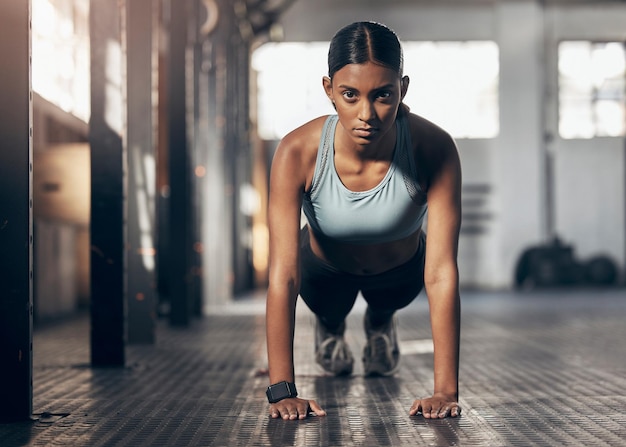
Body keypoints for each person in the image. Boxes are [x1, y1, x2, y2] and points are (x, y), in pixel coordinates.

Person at [264, 21, 461, 421]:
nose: (366, 114)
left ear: (402, 89)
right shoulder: (297, 151)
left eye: (383, 95)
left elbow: (440, 273)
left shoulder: (432, 148)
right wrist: (282, 391)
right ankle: (331, 328)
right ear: (329, 90)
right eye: (350, 95)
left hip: (400, 273)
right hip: (322, 274)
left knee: (386, 302)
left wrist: (445, 391)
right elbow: (283, 275)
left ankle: (380, 323)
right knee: (329, 307)